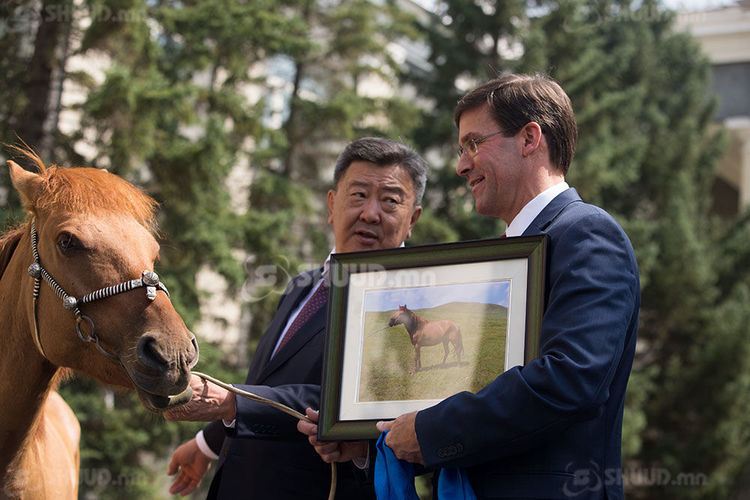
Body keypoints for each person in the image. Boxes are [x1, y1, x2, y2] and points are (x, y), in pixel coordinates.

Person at [302, 74, 640, 500]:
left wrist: (429, 431)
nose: (462, 165)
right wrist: (378, 440)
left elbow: (570, 380)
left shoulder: (587, 233)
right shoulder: (510, 255)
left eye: (474, 144)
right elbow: (486, 411)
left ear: (529, 139)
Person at [162, 137, 425, 499]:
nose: (370, 213)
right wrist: (208, 443)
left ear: (413, 220)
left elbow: (352, 401)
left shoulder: (409, 306)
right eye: (359, 195)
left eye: (390, 201)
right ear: (332, 205)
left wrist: (232, 401)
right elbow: (271, 381)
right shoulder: (303, 285)